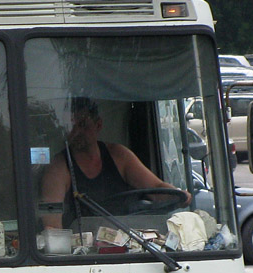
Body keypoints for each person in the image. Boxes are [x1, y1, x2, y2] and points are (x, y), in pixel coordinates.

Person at [39, 97, 189, 229]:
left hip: (129, 242)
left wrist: (178, 195)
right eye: (71, 126)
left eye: (83, 125)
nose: (77, 131)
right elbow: (52, 222)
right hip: (85, 251)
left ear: (98, 125)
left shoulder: (119, 156)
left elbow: (156, 189)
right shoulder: (58, 167)